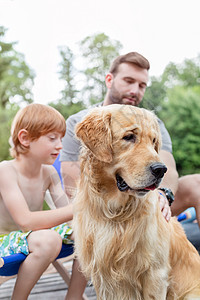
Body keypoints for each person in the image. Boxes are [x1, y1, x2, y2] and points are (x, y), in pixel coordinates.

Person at [60, 51, 200, 227]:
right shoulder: (78, 122)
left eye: (142, 85)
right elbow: (73, 184)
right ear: (109, 80)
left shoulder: (153, 122)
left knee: (197, 184)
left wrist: (163, 193)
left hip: (147, 204)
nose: (135, 91)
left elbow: (168, 168)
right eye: (128, 81)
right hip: (98, 210)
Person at [0, 103, 87, 300]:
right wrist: (79, 207)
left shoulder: (48, 172)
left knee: (90, 233)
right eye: (52, 138)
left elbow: (67, 215)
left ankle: (74, 296)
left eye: (61, 139)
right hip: (4, 241)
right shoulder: (6, 170)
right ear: (25, 138)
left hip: (32, 238)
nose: (60, 145)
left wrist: (84, 227)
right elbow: (26, 221)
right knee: (50, 239)